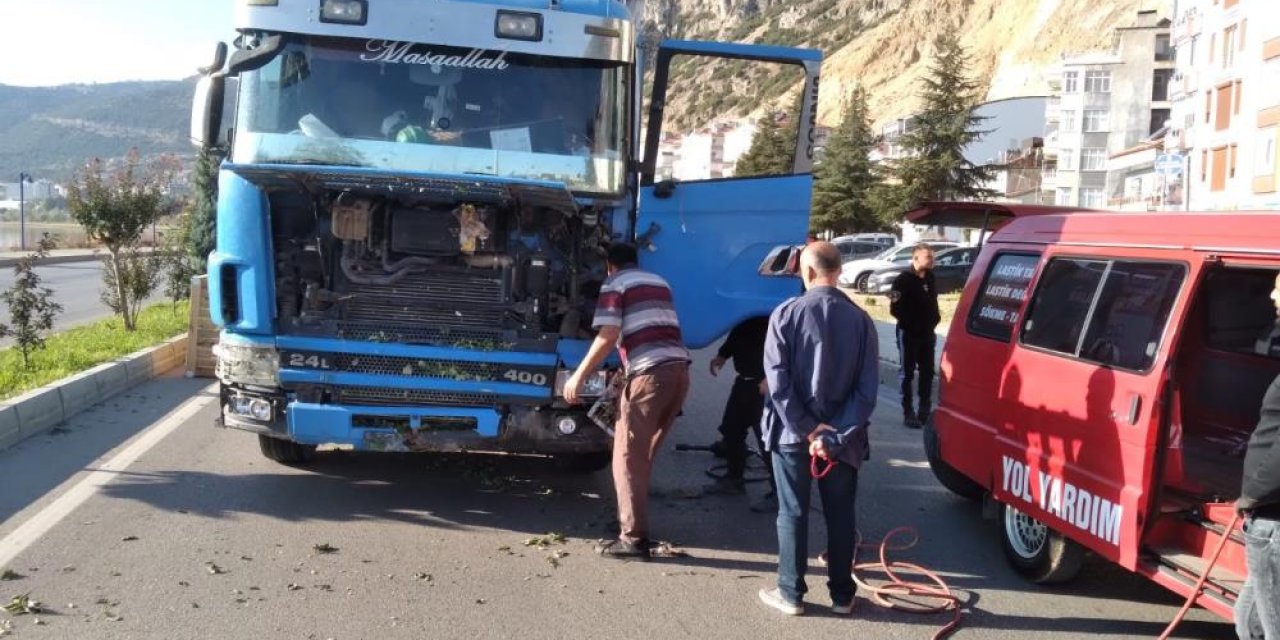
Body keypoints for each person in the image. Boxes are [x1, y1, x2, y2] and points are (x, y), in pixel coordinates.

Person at [757, 242, 879, 616]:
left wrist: (810, 430)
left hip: (792, 437)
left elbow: (777, 383)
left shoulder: (785, 314)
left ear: (806, 272)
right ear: (839, 271)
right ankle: (842, 596)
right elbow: (867, 390)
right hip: (843, 442)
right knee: (841, 515)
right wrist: (834, 435)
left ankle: (791, 593)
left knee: (792, 512)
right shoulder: (862, 321)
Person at [564, 243, 691, 560]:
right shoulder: (659, 281)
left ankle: (632, 540)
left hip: (650, 377)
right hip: (679, 374)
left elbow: (608, 334)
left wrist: (578, 377)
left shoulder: (615, 283)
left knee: (627, 459)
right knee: (643, 456)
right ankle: (630, 520)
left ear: (610, 265)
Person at [1236, 273, 1280, 640]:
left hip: (1272, 520)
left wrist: (1252, 494)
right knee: (1247, 619)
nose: (1272, 293)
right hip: (1266, 518)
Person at [704, 317, 772, 499]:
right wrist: (722, 355)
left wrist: (772, 376)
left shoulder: (774, 312)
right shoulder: (747, 313)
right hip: (744, 381)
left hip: (766, 386)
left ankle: (780, 493)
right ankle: (734, 480)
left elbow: (788, 346)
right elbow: (738, 333)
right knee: (732, 430)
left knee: (767, 439)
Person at [890, 244, 940, 429]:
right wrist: (911, 323)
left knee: (927, 372)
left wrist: (934, 320)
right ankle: (908, 411)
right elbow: (894, 308)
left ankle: (924, 411)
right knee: (907, 373)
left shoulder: (931, 277)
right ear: (916, 259)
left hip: (928, 334)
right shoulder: (902, 280)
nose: (932, 260)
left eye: (932, 257)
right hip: (909, 333)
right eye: (928, 257)